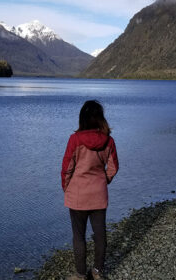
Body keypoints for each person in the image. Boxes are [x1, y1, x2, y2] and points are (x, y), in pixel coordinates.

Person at [61, 100, 119, 280]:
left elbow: (67, 168)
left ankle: (80, 275)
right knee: (100, 235)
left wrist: (66, 187)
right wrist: (103, 181)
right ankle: (97, 272)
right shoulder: (109, 141)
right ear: (100, 118)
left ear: (82, 118)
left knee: (79, 236)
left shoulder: (75, 140)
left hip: (77, 195)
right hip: (98, 195)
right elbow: (113, 167)